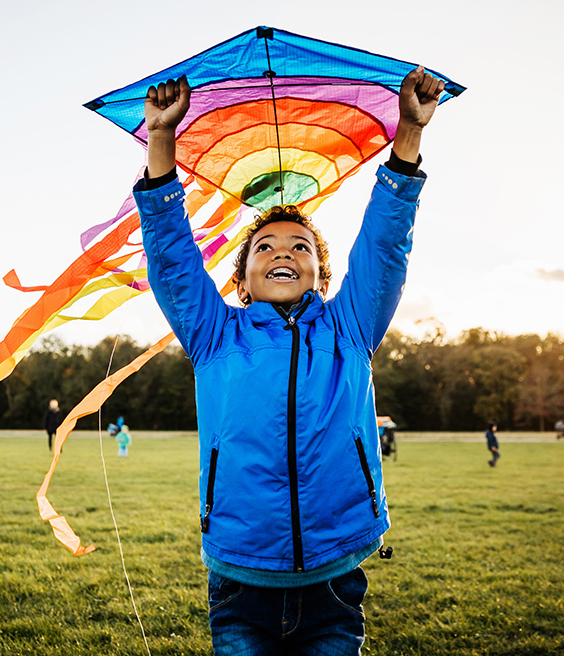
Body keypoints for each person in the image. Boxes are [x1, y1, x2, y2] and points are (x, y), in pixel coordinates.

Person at [134, 65, 445, 654]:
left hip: (334, 576)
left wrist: (408, 134)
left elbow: (384, 247)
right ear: (242, 277)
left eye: (299, 246)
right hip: (239, 577)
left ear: (320, 275)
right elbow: (173, 256)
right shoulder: (212, 334)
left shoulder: (350, 328)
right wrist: (161, 140)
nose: (283, 253)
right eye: (266, 247)